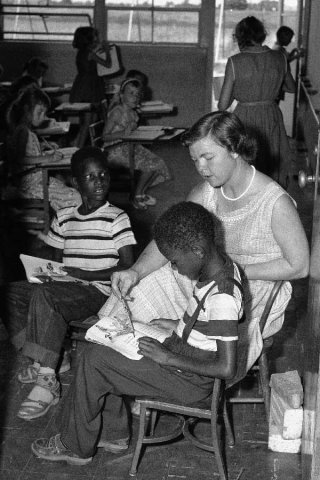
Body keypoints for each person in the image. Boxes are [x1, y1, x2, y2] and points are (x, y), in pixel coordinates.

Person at [30, 200, 243, 464]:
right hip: (185, 354)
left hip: (191, 380)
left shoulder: (222, 298)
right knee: (108, 340)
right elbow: (210, 325)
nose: (174, 268)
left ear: (197, 250)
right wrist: (178, 323)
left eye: (174, 262)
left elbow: (226, 368)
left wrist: (166, 358)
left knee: (93, 359)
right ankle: (113, 433)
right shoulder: (221, 268)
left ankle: (75, 445)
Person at [108, 111, 309, 386]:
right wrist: (135, 271)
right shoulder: (207, 193)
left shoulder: (274, 202)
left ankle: (162, 368)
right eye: (194, 159)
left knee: (196, 289)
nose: (201, 167)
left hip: (254, 296)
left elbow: (299, 265)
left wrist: (234, 272)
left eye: (208, 157)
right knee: (142, 284)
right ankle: (118, 352)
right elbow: (171, 238)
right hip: (210, 283)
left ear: (235, 149)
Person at [2, 146, 136, 421]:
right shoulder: (64, 217)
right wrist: (40, 266)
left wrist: (86, 275)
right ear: (76, 182)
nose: (99, 181)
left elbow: (127, 266)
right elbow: (51, 255)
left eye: (103, 175)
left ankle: (47, 382)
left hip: (98, 292)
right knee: (9, 293)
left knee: (48, 296)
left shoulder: (117, 217)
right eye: (90, 177)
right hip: (67, 287)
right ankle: (48, 359)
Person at [218, 16, 296, 188]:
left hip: (245, 118)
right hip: (271, 114)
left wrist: (241, 91)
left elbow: (222, 105)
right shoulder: (279, 58)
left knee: (247, 164)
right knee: (272, 162)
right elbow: (292, 88)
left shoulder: (234, 62)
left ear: (240, 37)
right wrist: (271, 83)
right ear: (261, 34)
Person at [5, 86, 81, 210]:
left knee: (67, 188)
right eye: (40, 112)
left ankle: (65, 221)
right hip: (28, 186)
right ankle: (67, 223)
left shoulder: (27, 130)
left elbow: (27, 150)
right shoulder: (22, 131)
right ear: (27, 110)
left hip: (36, 180)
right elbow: (19, 159)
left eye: (45, 113)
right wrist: (46, 158)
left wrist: (42, 146)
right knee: (73, 196)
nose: (43, 117)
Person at [102, 78, 171, 210]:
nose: (135, 97)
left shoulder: (133, 113)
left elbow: (131, 132)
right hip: (114, 150)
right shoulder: (117, 112)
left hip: (129, 146)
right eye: (131, 93)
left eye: (137, 94)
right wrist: (122, 133)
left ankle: (140, 192)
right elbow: (104, 136)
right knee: (149, 166)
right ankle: (135, 195)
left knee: (158, 162)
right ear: (121, 95)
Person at [70, 27, 112, 148]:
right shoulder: (90, 53)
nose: (97, 38)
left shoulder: (82, 51)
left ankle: (83, 147)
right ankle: (77, 149)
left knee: (90, 121)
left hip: (82, 86)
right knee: (88, 123)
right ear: (89, 38)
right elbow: (108, 64)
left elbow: (93, 53)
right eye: (94, 36)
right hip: (90, 88)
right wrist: (108, 51)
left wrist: (99, 48)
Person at [273, 26, 303, 104]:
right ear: (284, 37)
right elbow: (286, 60)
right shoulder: (278, 49)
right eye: (289, 39)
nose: (290, 41)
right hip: (276, 86)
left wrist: (294, 51)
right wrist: (297, 56)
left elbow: (287, 58)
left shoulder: (279, 47)